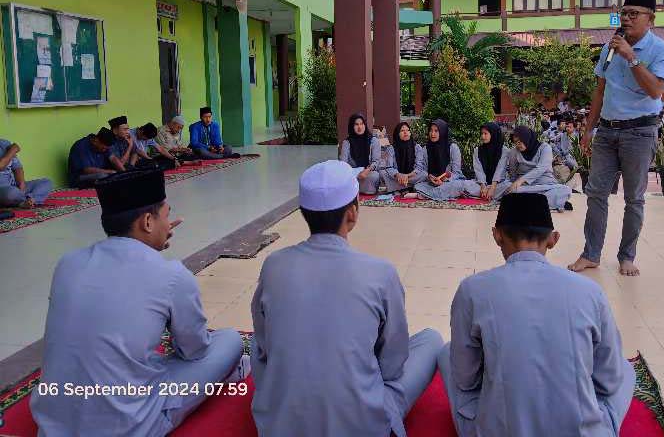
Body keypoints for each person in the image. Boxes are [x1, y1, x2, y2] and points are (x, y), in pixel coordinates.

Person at [31, 169, 246, 436]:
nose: (170, 225)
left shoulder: (68, 263)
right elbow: (194, 350)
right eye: (166, 216)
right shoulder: (172, 275)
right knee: (229, 341)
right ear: (147, 222)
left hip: (53, 422)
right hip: (128, 425)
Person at [250, 160, 443, 437]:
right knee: (431, 340)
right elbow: (392, 365)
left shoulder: (274, 265)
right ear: (352, 213)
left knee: (259, 341)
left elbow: (266, 346)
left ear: (304, 213)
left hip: (282, 426)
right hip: (362, 424)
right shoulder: (380, 272)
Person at [438, 192, 634, 437]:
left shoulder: (473, 289)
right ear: (553, 239)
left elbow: (465, 379)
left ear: (497, 235)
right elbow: (609, 380)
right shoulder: (589, 291)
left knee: (446, 353)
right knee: (625, 369)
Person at [569, 0, 664, 277]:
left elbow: (655, 90)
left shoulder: (663, 51)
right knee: (596, 194)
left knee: (634, 199)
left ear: (650, 19)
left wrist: (631, 57)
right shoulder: (609, 48)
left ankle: (627, 257)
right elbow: (600, 90)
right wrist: (588, 130)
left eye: (633, 14)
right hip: (606, 132)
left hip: (640, 132)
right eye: (624, 13)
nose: (626, 19)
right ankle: (590, 254)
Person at [506, 125, 572, 211]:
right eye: (515, 142)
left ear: (527, 138)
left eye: (520, 142)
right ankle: (549, 202)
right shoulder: (514, 152)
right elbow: (512, 172)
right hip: (524, 187)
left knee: (564, 190)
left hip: (545, 184)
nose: (518, 145)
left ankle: (529, 201)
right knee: (507, 189)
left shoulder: (545, 148)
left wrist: (521, 180)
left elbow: (541, 168)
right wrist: (513, 185)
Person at [414, 119, 468, 201]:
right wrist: (429, 177)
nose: (432, 134)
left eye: (436, 131)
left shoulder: (452, 148)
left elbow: (457, 173)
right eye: (431, 130)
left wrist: (446, 179)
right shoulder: (425, 149)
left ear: (443, 132)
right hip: (431, 183)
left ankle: (425, 195)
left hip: (449, 182)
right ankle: (441, 195)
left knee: (458, 185)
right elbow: (423, 171)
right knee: (418, 186)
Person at [463, 122, 511, 201]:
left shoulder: (504, 151)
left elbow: (500, 170)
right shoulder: (477, 150)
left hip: (498, 185)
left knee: (509, 186)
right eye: (482, 133)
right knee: (463, 184)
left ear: (494, 134)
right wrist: (483, 186)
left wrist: (492, 187)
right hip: (480, 185)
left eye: (485, 133)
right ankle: (487, 194)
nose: (483, 136)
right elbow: (478, 170)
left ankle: (482, 194)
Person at [0, 139, 53, 208]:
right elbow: (1, 166)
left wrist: (22, 185)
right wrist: (12, 151)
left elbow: (17, 167)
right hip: (3, 190)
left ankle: (30, 200)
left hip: (15, 186)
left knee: (46, 182)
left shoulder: (4, 143)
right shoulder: (11, 149)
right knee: (11, 193)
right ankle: (22, 201)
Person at [339, 113, 381, 194]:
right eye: (356, 124)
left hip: (368, 173)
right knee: (340, 176)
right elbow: (343, 163)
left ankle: (352, 189)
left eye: (362, 124)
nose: (359, 127)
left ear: (365, 125)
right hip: (352, 174)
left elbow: (376, 161)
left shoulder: (373, 141)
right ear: (352, 126)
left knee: (375, 176)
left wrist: (367, 170)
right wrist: (353, 173)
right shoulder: (347, 142)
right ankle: (358, 188)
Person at [380, 121, 425, 194]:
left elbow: (419, 167)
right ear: (397, 134)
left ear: (410, 133)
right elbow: (389, 167)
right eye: (402, 131)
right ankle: (409, 187)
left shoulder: (417, 147)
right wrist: (398, 175)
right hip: (397, 177)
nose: (405, 132)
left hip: (411, 176)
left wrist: (406, 176)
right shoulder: (391, 148)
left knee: (424, 175)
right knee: (383, 173)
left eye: (407, 130)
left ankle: (399, 188)